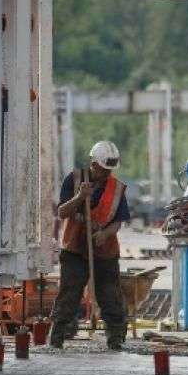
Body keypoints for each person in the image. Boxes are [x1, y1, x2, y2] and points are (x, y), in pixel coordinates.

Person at [50, 140, 130, 350]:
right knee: (70, 292)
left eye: (109, 170)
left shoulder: (117, 188)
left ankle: (115, 338)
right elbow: (62, 212)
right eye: (103, 170)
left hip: (105, 250)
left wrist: (105, 234)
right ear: (94, 164)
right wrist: (80, 197)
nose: (106, 175)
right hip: (75, 248)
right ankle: (58, 334)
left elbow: (118, 221)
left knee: (110, 294)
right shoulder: (75, 179)